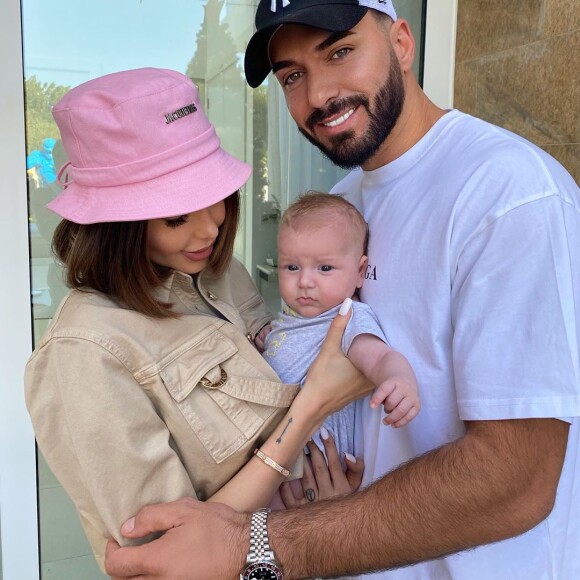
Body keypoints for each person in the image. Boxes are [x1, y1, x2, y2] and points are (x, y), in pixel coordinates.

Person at [104, 2, 580, 579]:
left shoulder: (506, 193)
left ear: (402, 43)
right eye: (292, 75)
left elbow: (516, 481)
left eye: (340, 52)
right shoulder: (345, 203)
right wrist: (329, 512)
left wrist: (255, 544)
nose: (319, 94)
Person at [23, 67, 371, 572]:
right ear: (114, 227)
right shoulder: (84, 354)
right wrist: (312, 410)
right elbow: (169, 558)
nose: (210, 227)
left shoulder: (215, 272)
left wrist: (322, 507)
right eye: (176, 217)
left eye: (216, 198)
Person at [263, 191, 419, 463]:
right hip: (276, 452)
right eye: (291, 267)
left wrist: (399, 380)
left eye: (324, 268)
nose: (305, 281)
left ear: (360, 272)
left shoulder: (347, 317)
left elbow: (380, 356)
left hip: (315, 458)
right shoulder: (291, 316)